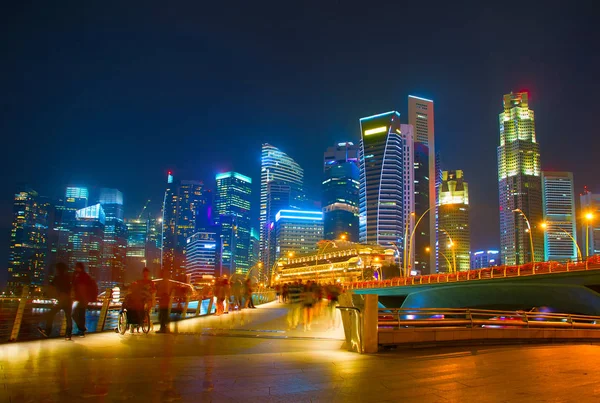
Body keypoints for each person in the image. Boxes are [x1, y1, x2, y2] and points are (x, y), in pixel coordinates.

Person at [38, 262, 73, 340]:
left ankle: (48, 331)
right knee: (68, 317)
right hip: (68, 300)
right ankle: (68, 335)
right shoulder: (68, 277)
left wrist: (44, 294)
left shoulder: (57, 277)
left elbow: (51, 286)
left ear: (58, 269)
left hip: (61, 300)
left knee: (51, 314)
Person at [72, 262, 97, 337]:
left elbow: (81, 288)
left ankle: (81, 329)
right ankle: (81, 329)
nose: (75, 268)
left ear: (79, 268)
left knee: (76, 314)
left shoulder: (82, 276)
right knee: (79, 314)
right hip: (82, 299)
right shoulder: (80, 275)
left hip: (82, 299)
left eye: (76, 267)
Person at [156, 268, 172, 333]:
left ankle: (163, 328)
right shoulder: (166, 281)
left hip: (163, 301)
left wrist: (160, 296)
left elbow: (163, 292)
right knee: (164, 314)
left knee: (162, 315)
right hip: (165, 301)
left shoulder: (164, 282)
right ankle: (165, 328)